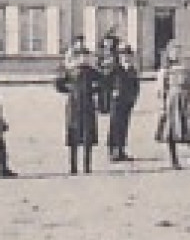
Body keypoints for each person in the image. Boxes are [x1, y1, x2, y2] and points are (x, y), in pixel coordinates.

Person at [155, 40, 190, 169]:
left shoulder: (185, 68)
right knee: (171, 129)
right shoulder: (165, 70)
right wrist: (162, 105)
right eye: (174, 51)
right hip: (172, 100)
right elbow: (161, 89)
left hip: (186, 100)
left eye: (179, 51)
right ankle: (174, 160)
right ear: (169, 53)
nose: (177, 54)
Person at [59, 44, 102, 175]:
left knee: (88, 137)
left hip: (88, 106)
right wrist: (70, 90)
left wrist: (94, 90)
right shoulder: (70, 71)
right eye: (80, 56)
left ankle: (87, 166)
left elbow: (103, 82)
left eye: (85, 55)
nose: (83, 58)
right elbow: (58, 83)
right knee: (73, 137)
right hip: (74, 106)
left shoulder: (92, 71)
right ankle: (73, 167)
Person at [108, 46, 141, 162]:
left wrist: (133, 99)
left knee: (124, 126)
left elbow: (136, 86)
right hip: (116, 102)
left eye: (128, 55)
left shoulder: (132, 70)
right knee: (115, 126)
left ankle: (121, 150)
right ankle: (113, 151)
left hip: (127, 102)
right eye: (123, 55)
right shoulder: (115, 69)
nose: (126, 58)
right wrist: (111, 94)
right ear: (120, 57)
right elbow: (107, 84)